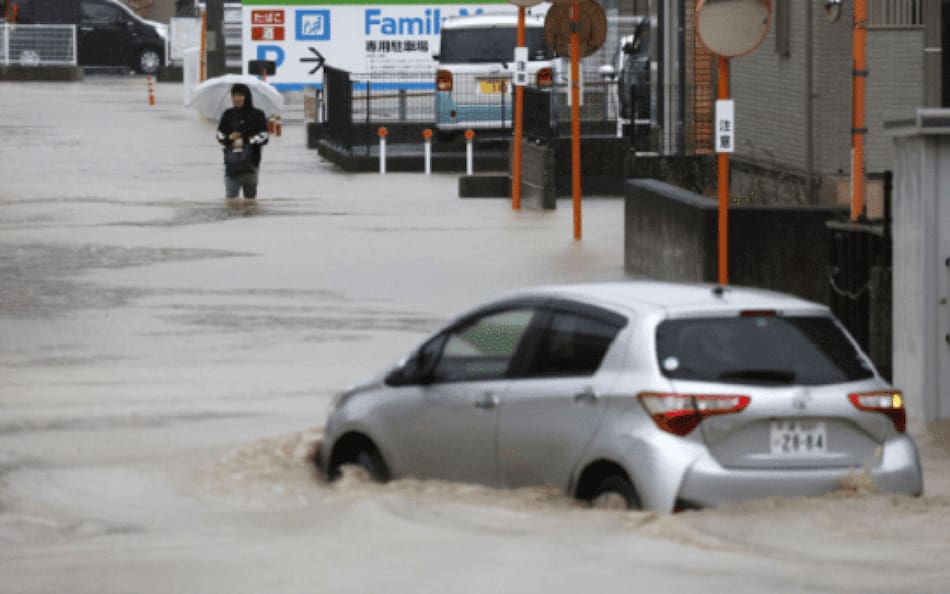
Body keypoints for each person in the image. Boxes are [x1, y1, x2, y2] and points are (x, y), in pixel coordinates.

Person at [216, 83, 269, 199]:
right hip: (231, 166)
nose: (236, 99)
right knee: (231, 200)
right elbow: (219, 135)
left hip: (251, 165)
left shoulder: (258, 115)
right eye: (234, 96)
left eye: (240, 95)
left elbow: (264, 137)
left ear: (247, 96)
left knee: (250, 202)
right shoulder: (228, 114)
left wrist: (246, 140)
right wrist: (229, 138)